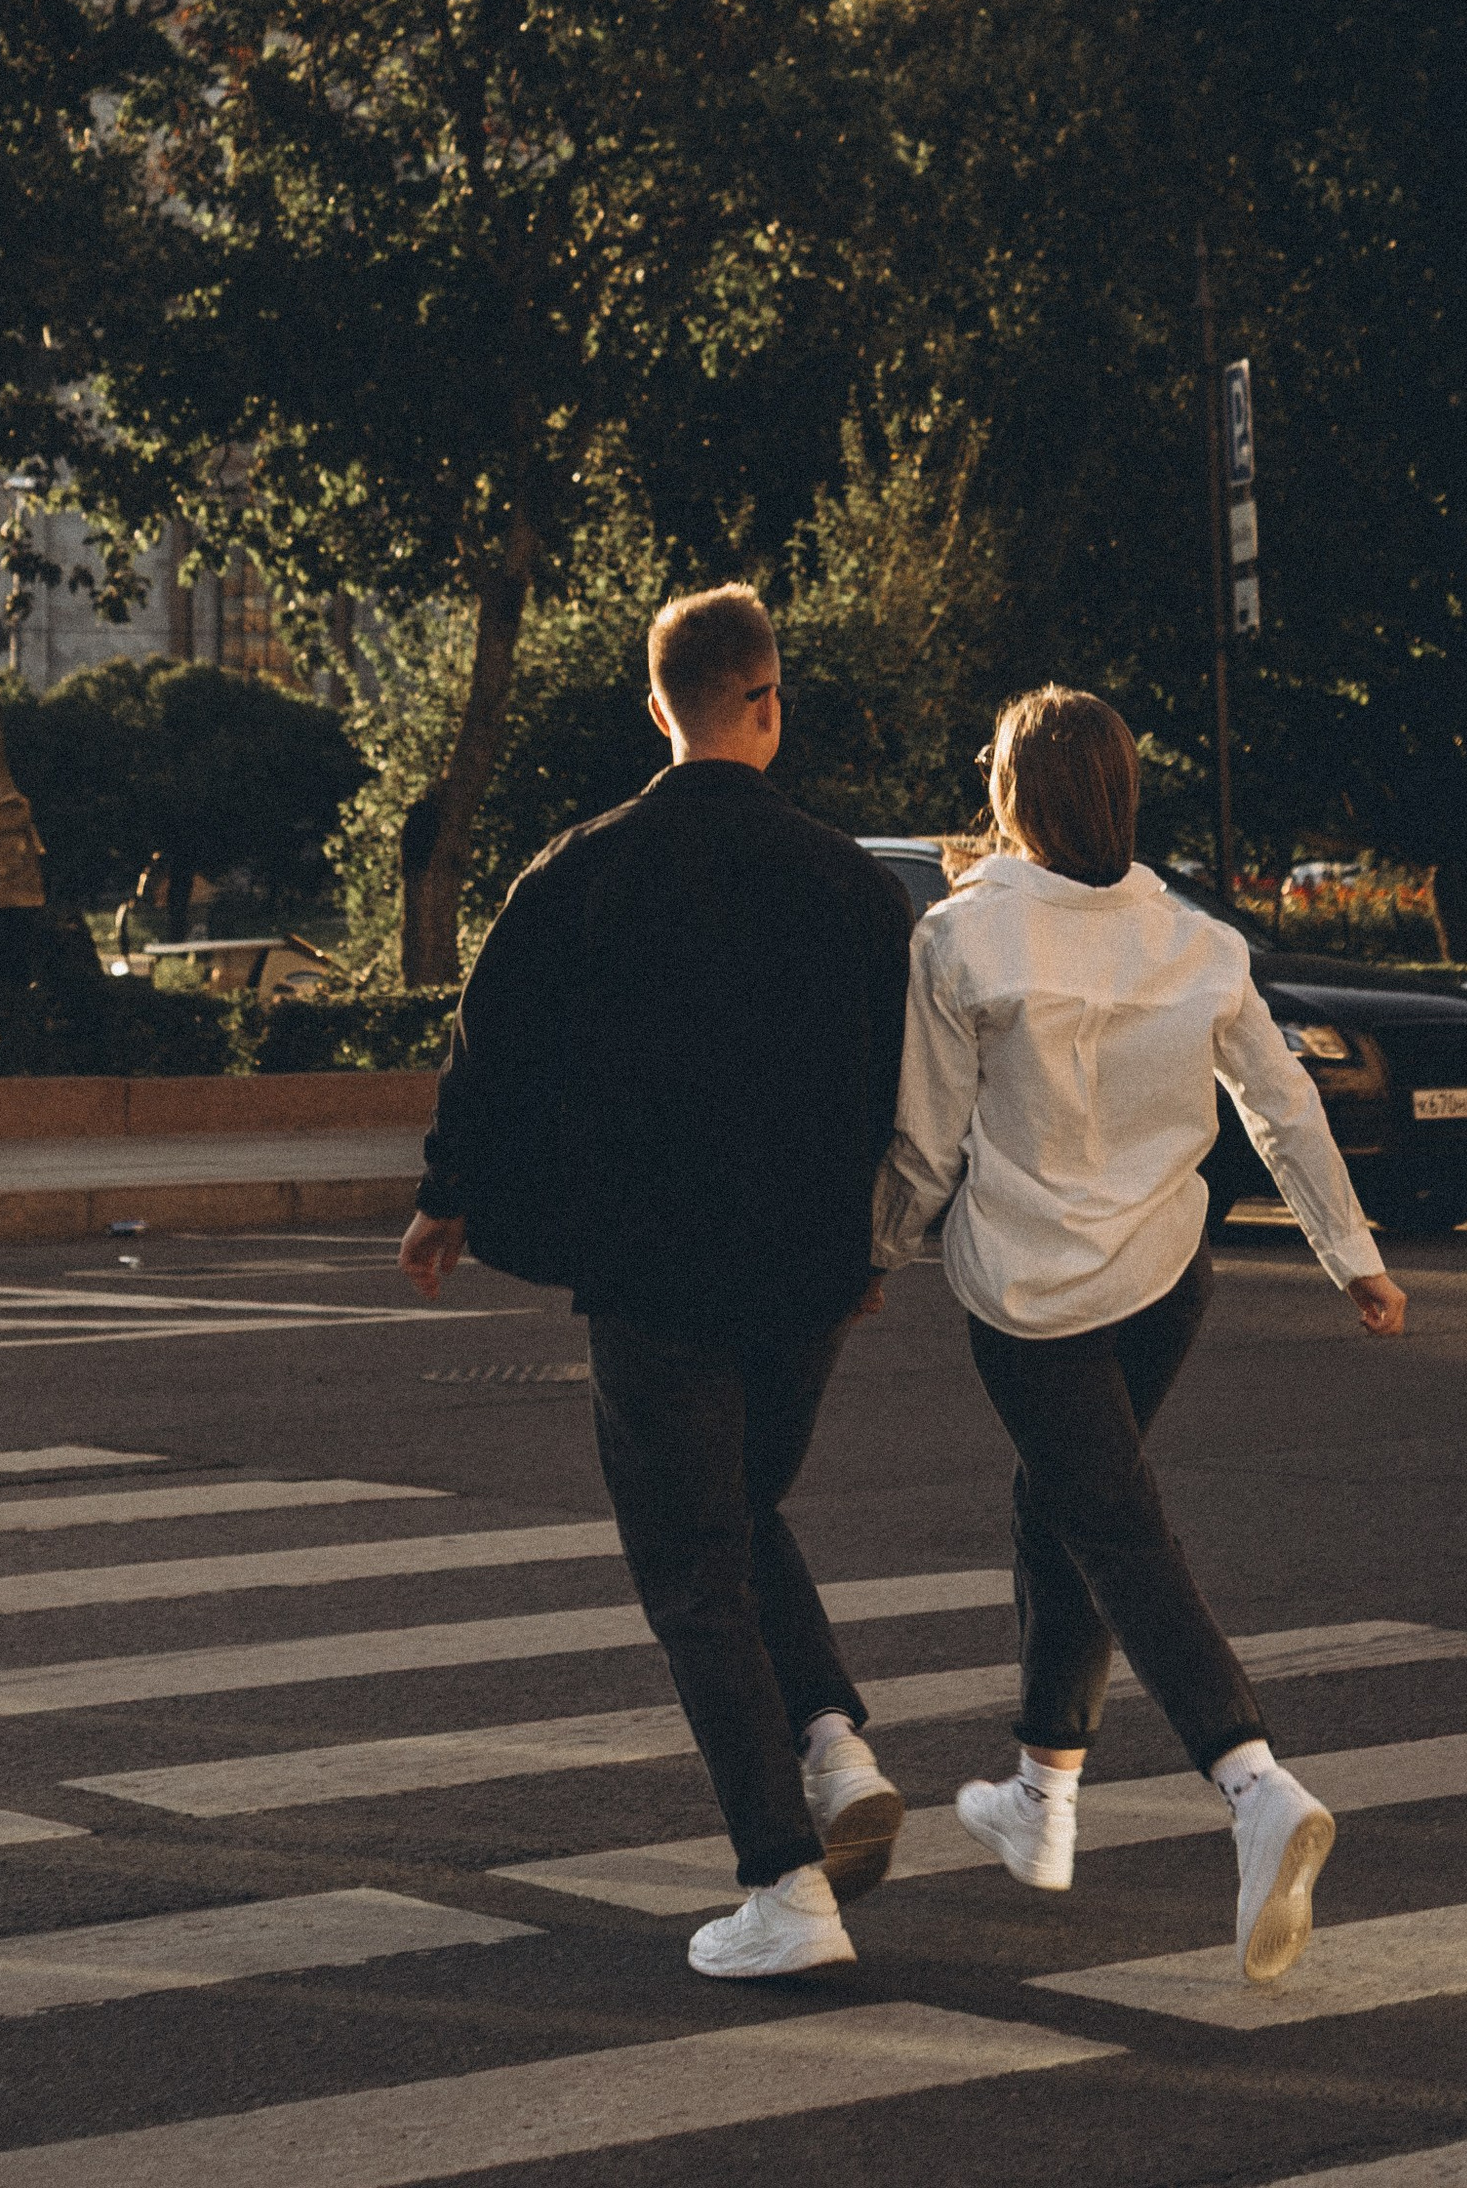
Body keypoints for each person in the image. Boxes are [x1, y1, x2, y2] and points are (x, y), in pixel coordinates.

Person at [401, 584, 916, 1982]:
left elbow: (489, 1046)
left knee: (692, 1562)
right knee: (740, 1502)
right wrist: (876, 1244)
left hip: (653, 1274)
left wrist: (449, 1196)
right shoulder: (853, 883)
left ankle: (784, 1884)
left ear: (656, 707)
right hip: (808, 1274)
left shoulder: (580, 871)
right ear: (771, 698)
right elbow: (909, 1086)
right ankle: (828, 1741)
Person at [875, 683, 1408, 1988]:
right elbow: (1283, 1107)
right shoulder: (1198, 940)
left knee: (1111, 1524)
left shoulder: (961, 939)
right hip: (1167, 1280)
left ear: (1013, 794)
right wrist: (1354, 1258)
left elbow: (926, 1142)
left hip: (1033, 1301)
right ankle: (1043, 1793)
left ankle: (1253, 1783)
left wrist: (868, 1253)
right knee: (1065, 1502)